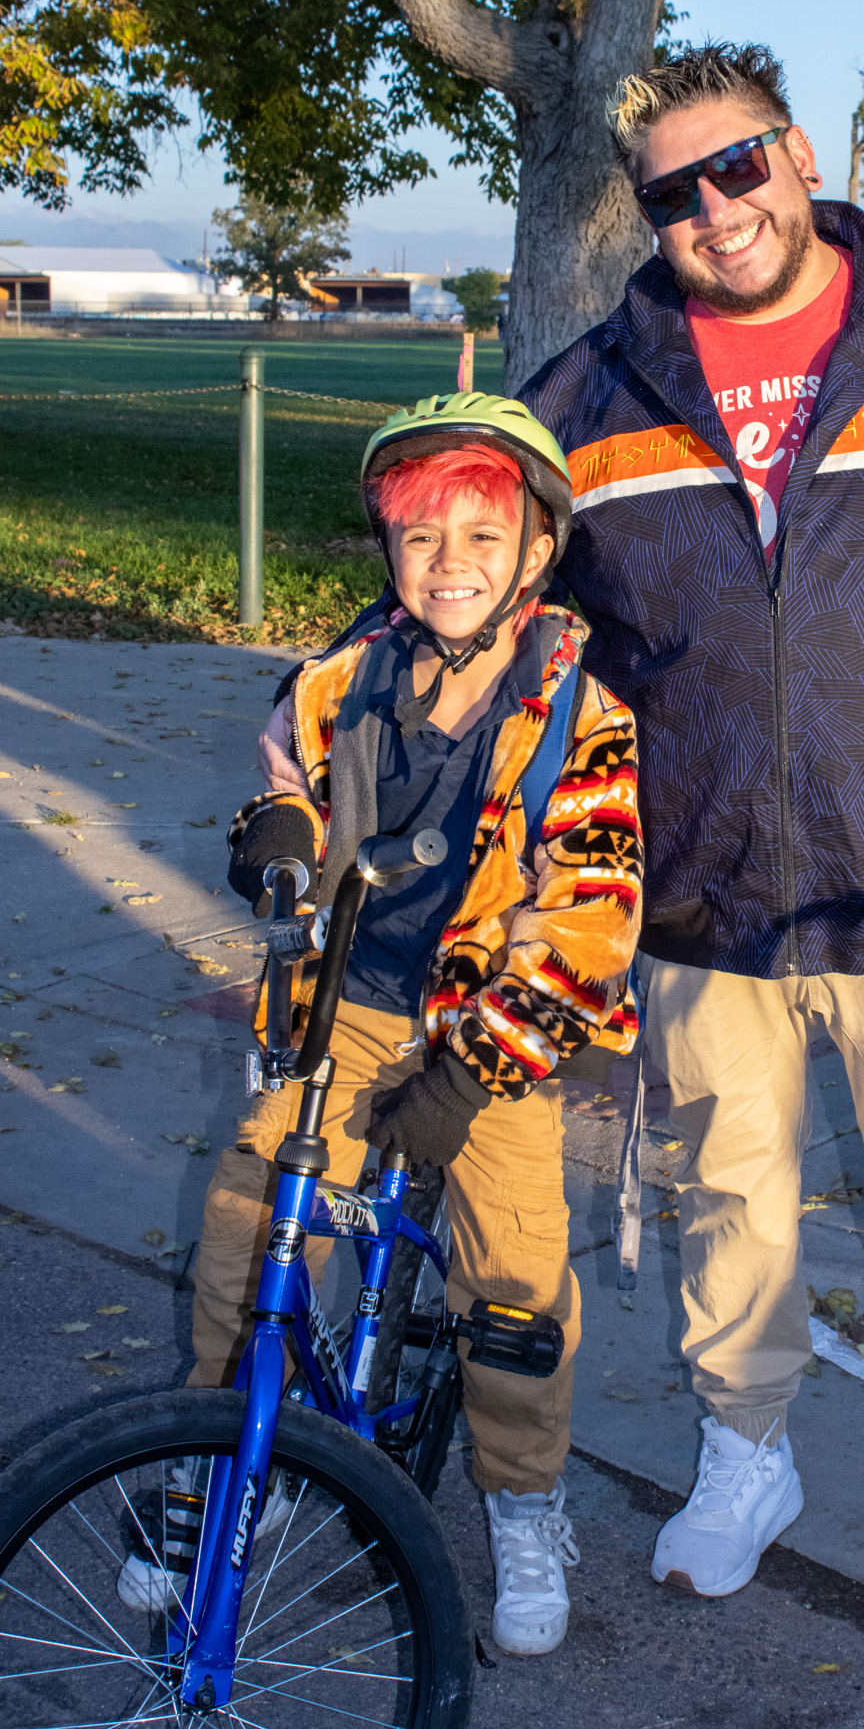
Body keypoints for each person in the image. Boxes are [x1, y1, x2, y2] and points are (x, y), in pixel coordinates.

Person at [261, 41, 864, 1671]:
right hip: (700, 893)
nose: (713, 209)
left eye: (736, 166)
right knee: (729, 1194)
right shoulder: (593, 393)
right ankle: (750, 1450)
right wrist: (313, 706)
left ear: (800, 155)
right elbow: (462, 578)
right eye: (671, 192)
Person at [164, 394, 643, 1659]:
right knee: (250, 1224)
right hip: (343, 1010)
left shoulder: (581, 719)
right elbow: (286, 782)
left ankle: (525, 1495)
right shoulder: (337, 679)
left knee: (516, 1279)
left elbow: (589, 928)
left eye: (482, 538)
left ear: (536, 552)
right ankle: (219, 1460)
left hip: (488, 1032)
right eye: (422, 536)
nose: (450, 564)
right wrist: (272, 833)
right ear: (387, 551)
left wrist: (474, 1072)